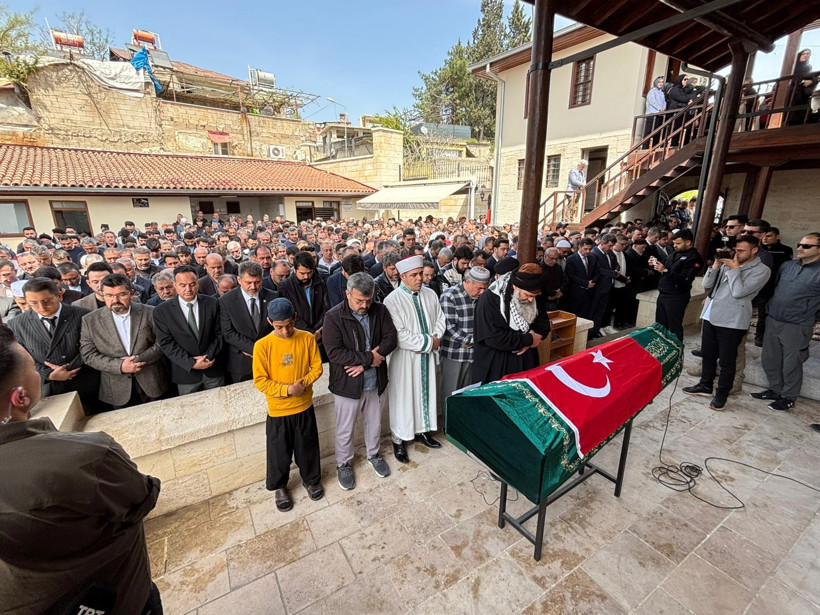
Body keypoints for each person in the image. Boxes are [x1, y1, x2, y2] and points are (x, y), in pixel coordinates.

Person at [0, 324, 163, 614]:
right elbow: (141, 498)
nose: (39, 372)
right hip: (121, 601)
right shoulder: (87, 456)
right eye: (33, 368)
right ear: (20, 398)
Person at [323, 272, 398, 490]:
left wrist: (366, 364)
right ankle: (343, 463)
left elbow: (391, 338)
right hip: (347, 384)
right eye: (359, 301)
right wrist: (369, 358)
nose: (365, 305)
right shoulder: (333, 316)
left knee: (374, 423)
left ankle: (373, 454)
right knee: (345, 428)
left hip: (376, 380)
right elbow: (334, 352)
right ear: (347, 294)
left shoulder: (380, 310)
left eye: (368, 300)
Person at [683, 235, 770, 410]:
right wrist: (715, 265)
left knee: (727, 360)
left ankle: (721, 394)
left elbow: (739, 292)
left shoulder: (762, 270)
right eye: (735, 250)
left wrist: (735, 269)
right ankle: (705, 384)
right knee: (708, 354)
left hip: (733, 319)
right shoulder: (728, 262)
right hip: (711, 314)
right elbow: (707, 285)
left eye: (741, 251)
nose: (737, 253)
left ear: (754, 250)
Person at [253, 298, 324, 511]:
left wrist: (303, 385)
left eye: (289, 325)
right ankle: (280, 486)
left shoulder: (307, 338)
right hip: (278, 410)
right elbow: (260, 380)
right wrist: (286, 390)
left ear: (295, 318)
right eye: (279, 327)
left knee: (307, 447)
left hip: (303, 405)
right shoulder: (262, 346)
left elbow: (317, 367)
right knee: (278, 452)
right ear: (269, 322)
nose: (285, 331)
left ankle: (311, 480)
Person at [383, 255, 447, 464]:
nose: (420, 278)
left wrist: (434, 339)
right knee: (404, 398)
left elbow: (440, 319)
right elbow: (399, 335)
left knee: (424, 395)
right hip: (405, 360)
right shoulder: (392, 300)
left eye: (421, 274)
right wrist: (428, 342)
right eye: (414, 275)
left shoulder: (430, 294)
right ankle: (399, 439)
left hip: (426, 357)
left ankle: (422, 431)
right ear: (402, 276)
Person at [8, 277, 100, 414]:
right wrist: (49, 374)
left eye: (47, 301)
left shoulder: (83, 315)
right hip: (48, 388)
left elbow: (92, 346)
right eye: (33, 303)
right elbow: (22, 357)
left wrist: (68, 371)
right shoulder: (17, 324)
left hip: (86, 382)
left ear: (59, 295)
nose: (41, 307)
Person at [751, 233, 820, 411]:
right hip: (774, 318)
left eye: (806, 246)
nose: (799, 248)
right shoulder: (787, 266)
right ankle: (774, 389)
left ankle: (788, 396)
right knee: (770, 358)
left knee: (792, 362)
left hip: (797, 324)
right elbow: (776, 288)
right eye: (799, 244)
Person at [79, 273, 168, 408]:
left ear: (131, 293)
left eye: (121, 294)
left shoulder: (151, 312)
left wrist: (138, 360)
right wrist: (119, 366)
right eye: (109, 295)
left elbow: (163, 342)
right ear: (102, 294)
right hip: (116, 388)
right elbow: (88, 355)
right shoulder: (90, 320)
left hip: (152, 381)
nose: (115, 300)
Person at [473, 263, 551, 384]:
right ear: (515, 287)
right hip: (498, 364)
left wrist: (536, 338)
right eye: (528, 295)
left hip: (527, 360)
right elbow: (493, 337)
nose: (531, 300)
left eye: (534, 296)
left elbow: (543, 323)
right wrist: (529, 340)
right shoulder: (490, 298)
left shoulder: (534, 295)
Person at [153, 265, 224, 395]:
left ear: (198, 283)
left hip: (213, 369)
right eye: (182, 285)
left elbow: (219, 334)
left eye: (192, 284)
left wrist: (207, 358)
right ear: (174, 285)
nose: (188, 289)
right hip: (185, 373)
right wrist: (191, 363)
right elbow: (166, 343)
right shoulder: (162, 311)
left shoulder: (212, 303)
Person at [220, 261, 277, 383]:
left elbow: (277, 327)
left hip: (270, 358)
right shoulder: (226, 301)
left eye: (257, 282)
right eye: (248, 283)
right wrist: (255, 349)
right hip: (241, 363)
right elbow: (228, 332)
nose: (253, 287)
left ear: (262, 279)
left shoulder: (273, 296)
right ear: (239, 280)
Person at [439, 266, 490, 400]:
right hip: (454, 353)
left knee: (468, 394)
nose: (482, 292)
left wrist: (477, 341)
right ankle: (448, 421)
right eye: (479, 288)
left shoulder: (484, 296)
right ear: (467, 282)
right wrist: (472, 340)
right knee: (450, 394)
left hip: (475, 354)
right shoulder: (449, 296)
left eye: (485, 288)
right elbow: (449, 326)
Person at [276, 250, 330, 361]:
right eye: (302, 273)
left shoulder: (321, 282)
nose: (306, 276)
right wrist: (310, 334)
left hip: (321, 333)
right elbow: (290, 314)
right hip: (298, 335)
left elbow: (326, 307)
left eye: (309, 273)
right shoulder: (285, 287)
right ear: (295, 270)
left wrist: (318, 331)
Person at [651, 229, 703, 340]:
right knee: (660, 325)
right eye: (674, 243)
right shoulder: (674, 253)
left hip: (676, 295)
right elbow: (665, 266)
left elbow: (685, 279)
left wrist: (665, 271)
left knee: (674, 326)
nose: (675, 246)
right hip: (663, 292)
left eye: (678, 243)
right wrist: (655, 264)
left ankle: (676, 350)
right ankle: (660, 347)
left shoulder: (694, 257)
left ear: (688, 242)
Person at [564, 238, 597, 319]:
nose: (588, 251)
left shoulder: (592, 258)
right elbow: (571, 276)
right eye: (585, 249)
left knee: (586, 315)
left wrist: (592, 282)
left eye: (590, 249)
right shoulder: (571, 259)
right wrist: (586, 283)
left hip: (589, 292)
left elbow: (596, 272)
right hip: (576, 293)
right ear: (579, 247)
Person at [788, 49, 818, 126]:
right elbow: (791, 79)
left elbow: (812, 78)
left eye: (808, 54)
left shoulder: (808, 67)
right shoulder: (792, 67)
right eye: (804, 54)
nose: (806, 55)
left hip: (800, 94)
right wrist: (801, 82)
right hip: (791, 92)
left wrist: (811, 81)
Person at [643, 76, 666, 147]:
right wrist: (659, 108)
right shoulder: (652, 91)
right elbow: (652, 101)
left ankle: (653, 146)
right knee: (649, 131)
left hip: (659, 115)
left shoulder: (661, 93)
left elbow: (664, 102)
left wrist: (663, 108)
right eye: (659, 82)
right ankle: (645, 146)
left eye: (662, 82)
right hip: (652, 114)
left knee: (656, 132)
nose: (661, 84)